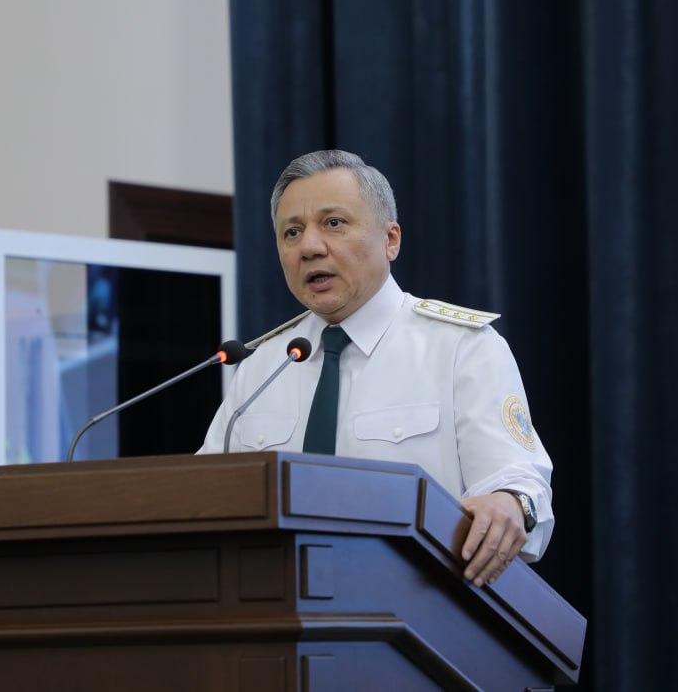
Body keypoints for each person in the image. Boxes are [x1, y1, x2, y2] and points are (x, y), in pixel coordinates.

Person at [197, 150, 553, 586]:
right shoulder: (263, 366)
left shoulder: (460, 347)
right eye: (292, 232)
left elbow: (518, 480)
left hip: (420, 605)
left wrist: (511, 503)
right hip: (276, 603)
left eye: (333, 223)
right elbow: (201, 499)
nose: (309, 247)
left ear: (391, 239)